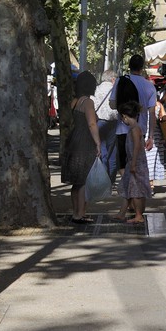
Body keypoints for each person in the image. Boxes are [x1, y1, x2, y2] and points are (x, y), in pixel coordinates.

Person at [63, 70, 103, 224]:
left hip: (73, 141)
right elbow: (92, 124)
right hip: (84, 143)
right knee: (84, 180)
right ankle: (80, 214)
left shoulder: (74, 101)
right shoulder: (88, 102)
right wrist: (98, 143)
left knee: (76, 181)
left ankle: (75, 213)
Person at [117, 98, 150, 225]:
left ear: (125, 116)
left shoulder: (135, 129)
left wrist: (134, 163)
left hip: (136, 163)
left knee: (136, 190)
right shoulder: (134, 128)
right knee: (128, 188)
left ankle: (138, 215)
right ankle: (122, 213)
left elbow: (137, 146)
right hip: (132, 161)